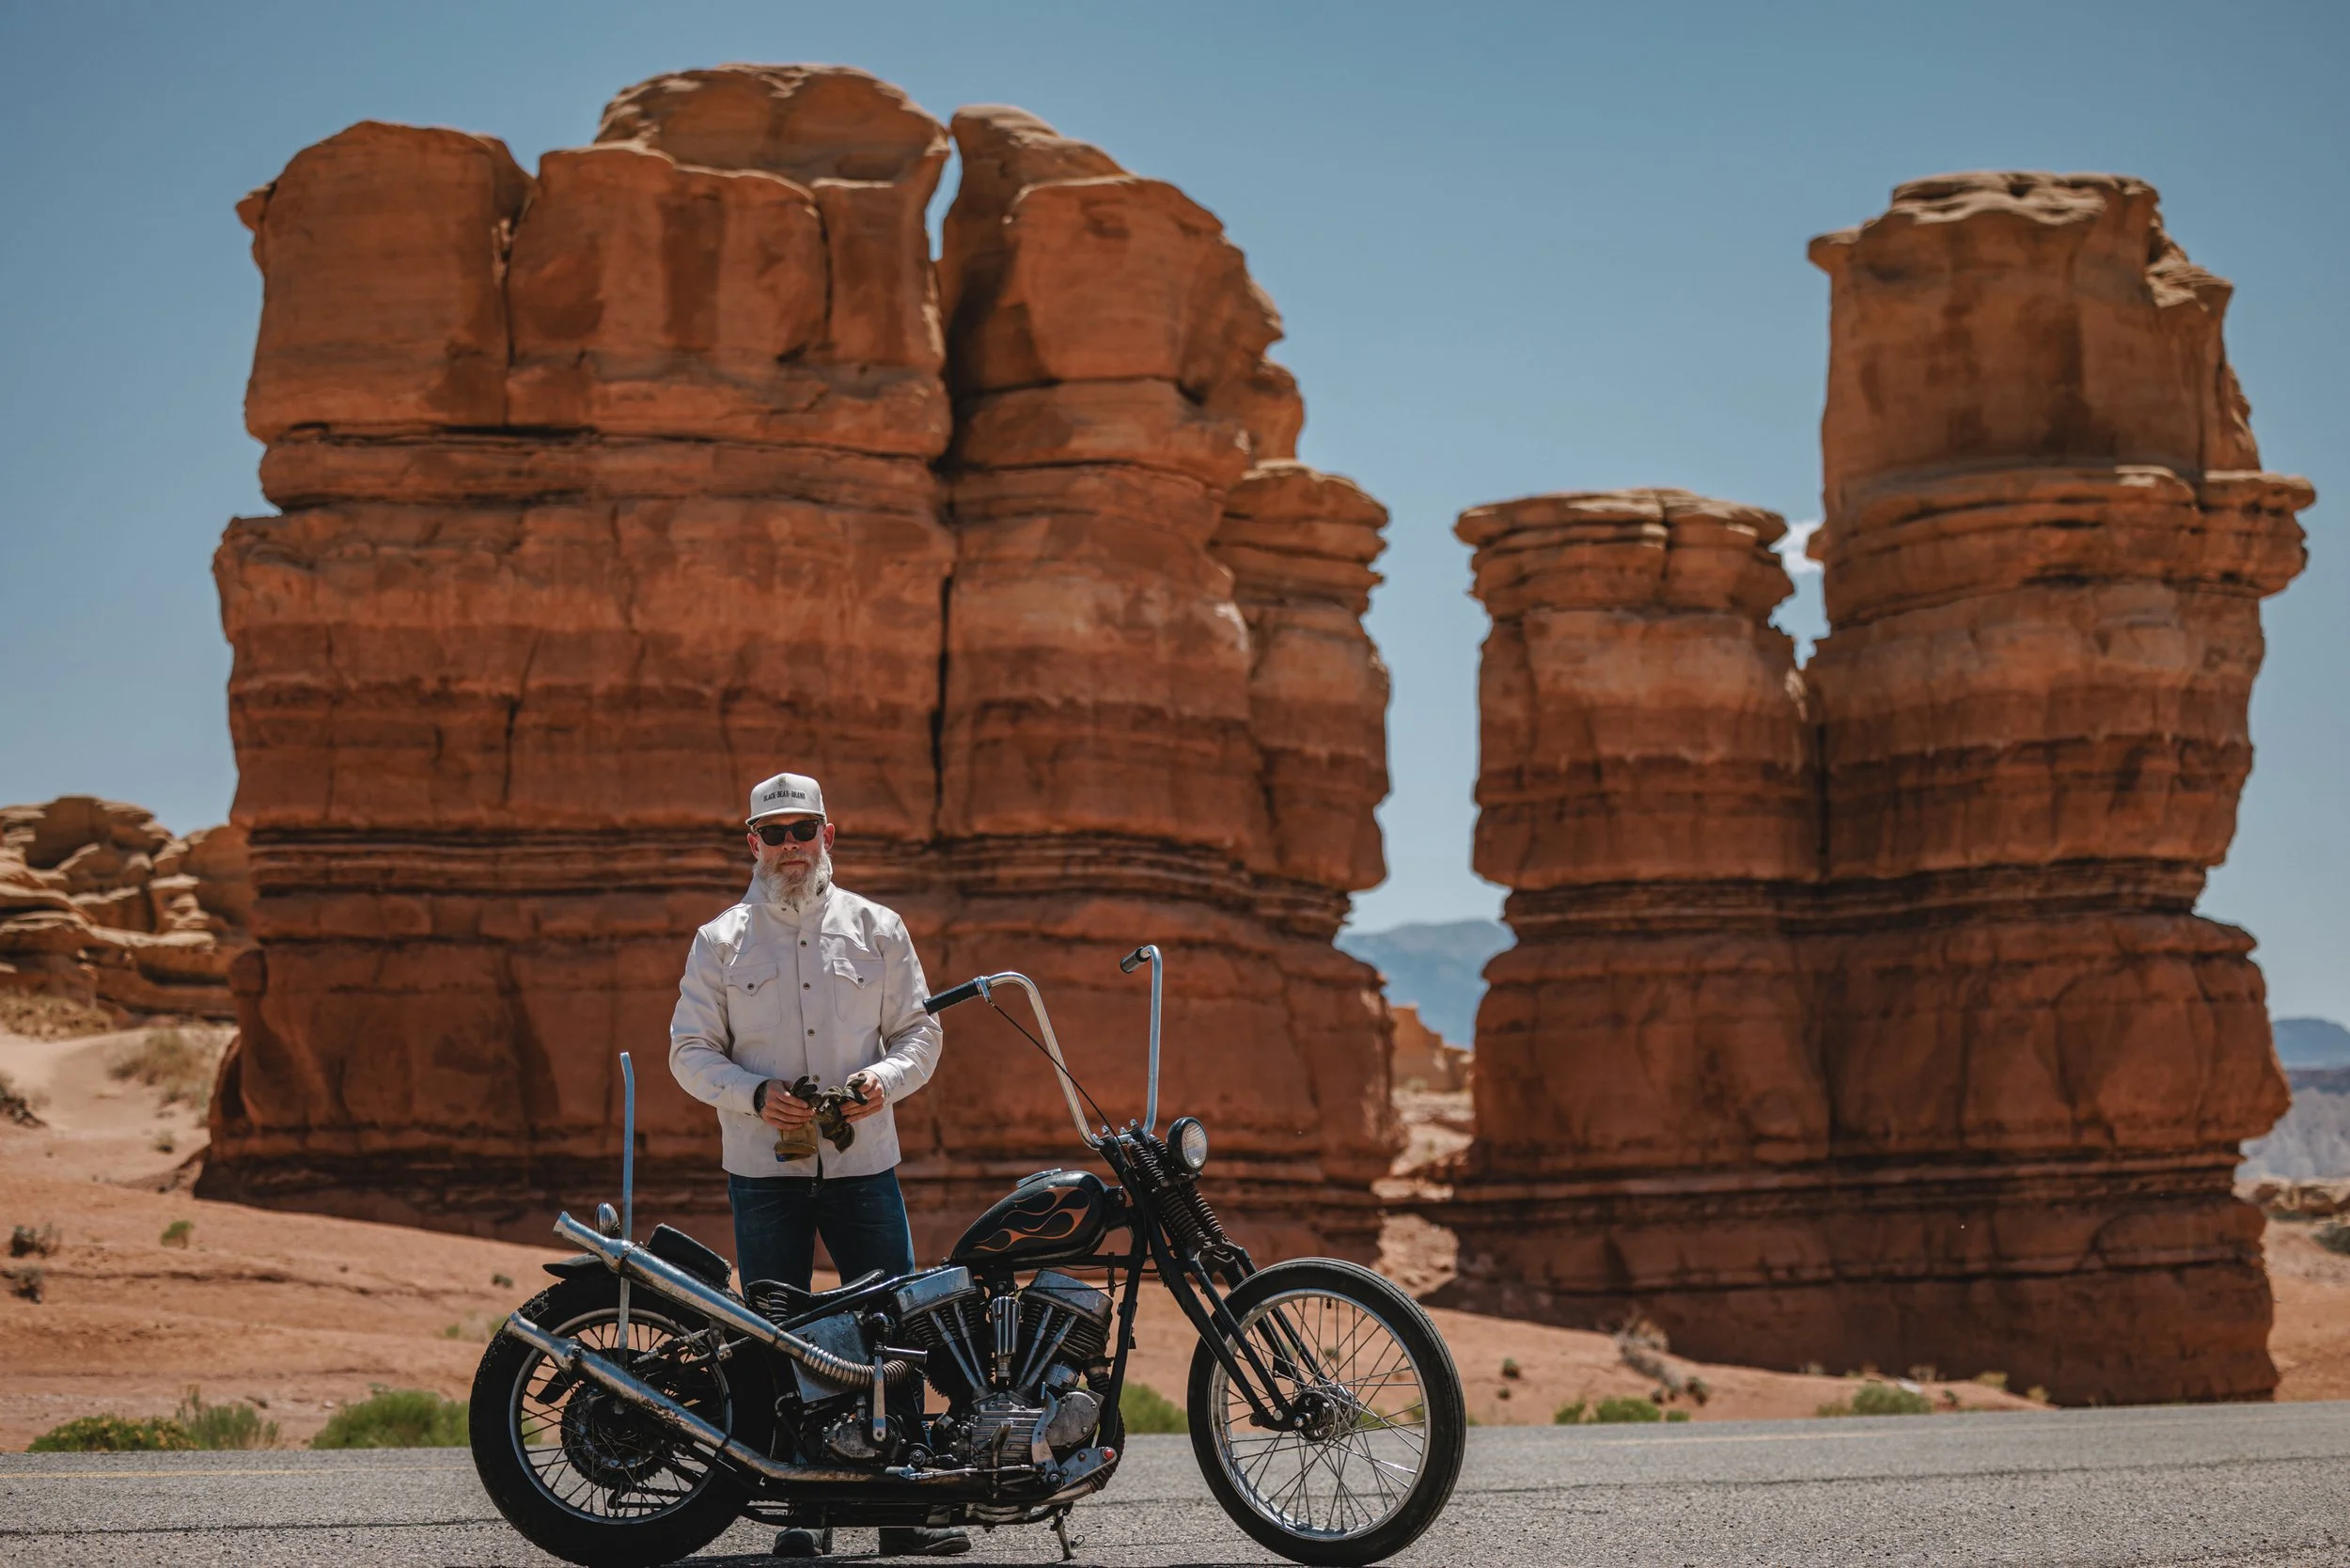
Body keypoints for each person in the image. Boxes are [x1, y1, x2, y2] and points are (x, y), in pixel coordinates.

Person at [669, 770, 967, 1559]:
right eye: (775, 834)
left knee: (893, 1335)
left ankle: (902, 1517)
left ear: (828, 836)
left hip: (866, 1164)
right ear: (753, 843)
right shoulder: (720, 941)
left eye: (804, 831)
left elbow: (920, 1035)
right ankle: (805, 1518)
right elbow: (688, 1053)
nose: (791, 847)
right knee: (778, 1338)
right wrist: (755, 1093)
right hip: (764, 1175)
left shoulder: (878, 927)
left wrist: (884, 1081)